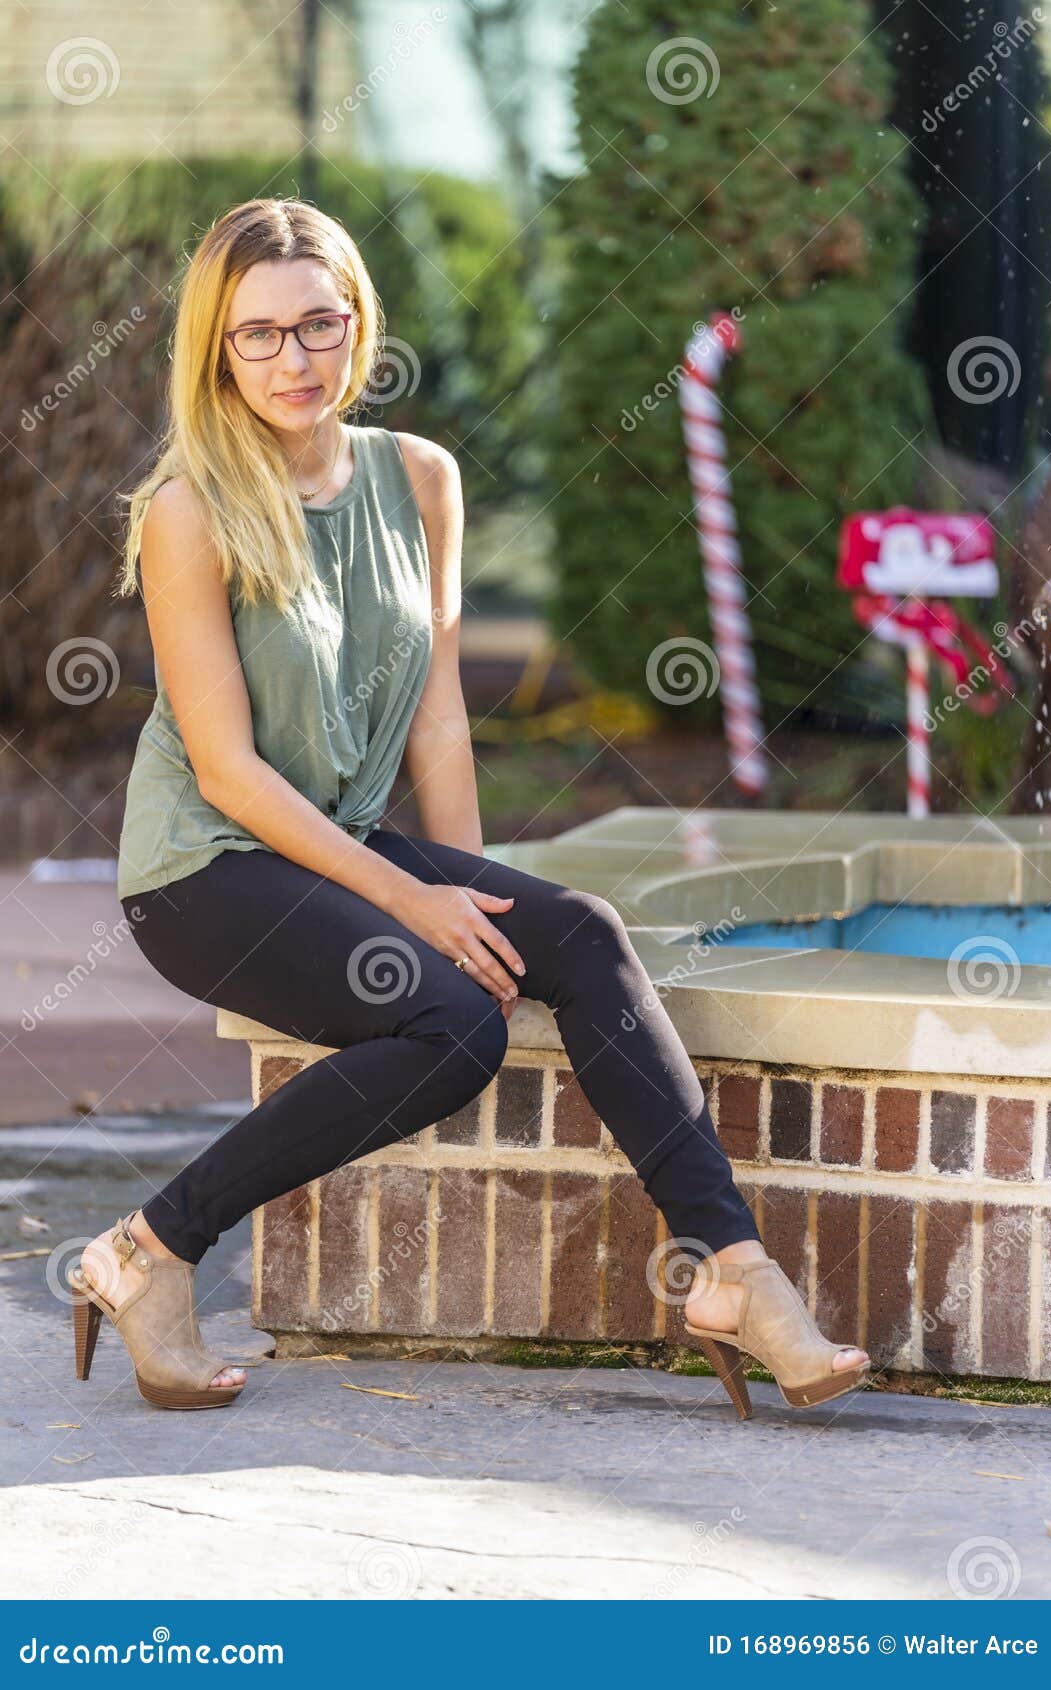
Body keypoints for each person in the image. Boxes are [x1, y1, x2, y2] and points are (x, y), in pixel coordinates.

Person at [69, 197, 869, 1417]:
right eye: (259, 336)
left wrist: (470, 895)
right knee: (453, 1026)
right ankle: (149, 1248)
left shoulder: (418, 478)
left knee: (581, 932)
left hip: (335, 847)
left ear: (359, 323)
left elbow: (437, 710)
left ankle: (728, 1271)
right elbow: (227, 770)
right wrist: (416, 904)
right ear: (216, 352)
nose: (295, 360)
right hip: (204, 868)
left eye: (319, 325)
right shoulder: (191, 510)